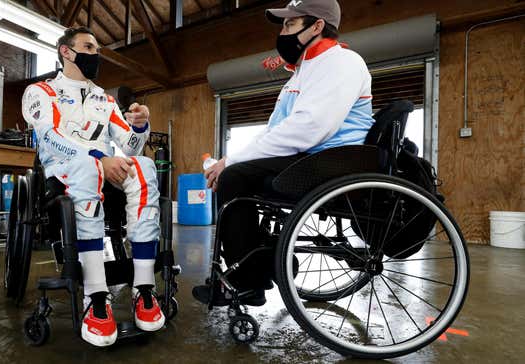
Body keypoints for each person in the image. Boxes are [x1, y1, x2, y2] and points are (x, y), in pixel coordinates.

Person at [193, 0, 375, 306]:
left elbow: (309, 127)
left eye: (291, 25)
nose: (283, 32)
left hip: (334, 161)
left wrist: (232, 163)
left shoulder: (341, 62)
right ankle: (263, 258)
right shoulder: (304, 72)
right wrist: (234, 157)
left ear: (317, 26)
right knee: (236, 172)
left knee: (236, 178)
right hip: (313, 157)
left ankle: (247, 281)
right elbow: (277, 131)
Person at [21, 27, 164, 347]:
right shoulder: (40, 91)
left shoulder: (104, 98)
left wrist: (140, 126)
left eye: (97, 49)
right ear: (66, 52)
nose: (95, 54)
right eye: (88, 47)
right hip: (64, 173)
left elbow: (131, 147)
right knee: (87, 166)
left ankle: (144, 288)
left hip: (106, 172)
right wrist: (99, 157)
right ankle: (96, 297)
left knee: (145, 167)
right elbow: (49, 138)